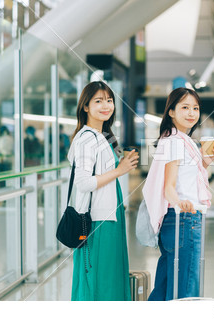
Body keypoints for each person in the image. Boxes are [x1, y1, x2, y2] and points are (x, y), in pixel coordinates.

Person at [67, 81, 139, 301]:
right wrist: (120, 170)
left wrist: (122, 165)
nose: (106, 105)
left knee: (108, 277)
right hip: (97, 220)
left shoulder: (104, 136)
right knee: (100, 281)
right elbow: (84, 183)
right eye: (98, 101)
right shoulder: (87, 138)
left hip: (108, 216)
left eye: (109, 100)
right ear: (85, 107)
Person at [144, 87, 214, 301]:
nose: (192, 112)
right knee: (185, 289)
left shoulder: (177, 140)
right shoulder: (177, 142)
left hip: (172, 222)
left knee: (165, 287)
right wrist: (181, 203)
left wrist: (204, 162)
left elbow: (184, 179)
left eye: (195, 108)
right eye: (184, 107)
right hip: (183, 220)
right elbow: (169, 187)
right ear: (171, 112)